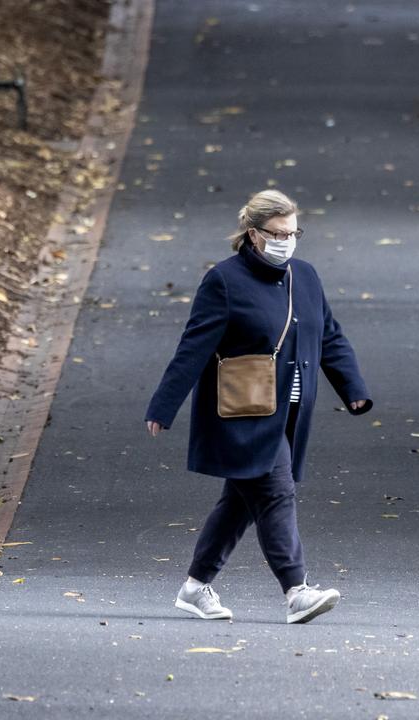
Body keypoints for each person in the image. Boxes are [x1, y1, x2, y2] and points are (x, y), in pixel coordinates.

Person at [145, 189, 373, 624]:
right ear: (253, 234)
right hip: (243, 411)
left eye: (294, 232)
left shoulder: (305, 277)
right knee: (275, 490)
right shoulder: (224, 280)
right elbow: (193, 346)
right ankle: (297, 591)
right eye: (278, 232)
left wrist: (353, 387)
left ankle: (195, 587)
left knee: (241, 499)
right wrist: (164, 405)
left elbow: (328, 336)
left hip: (289, 412)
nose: (287, 240)